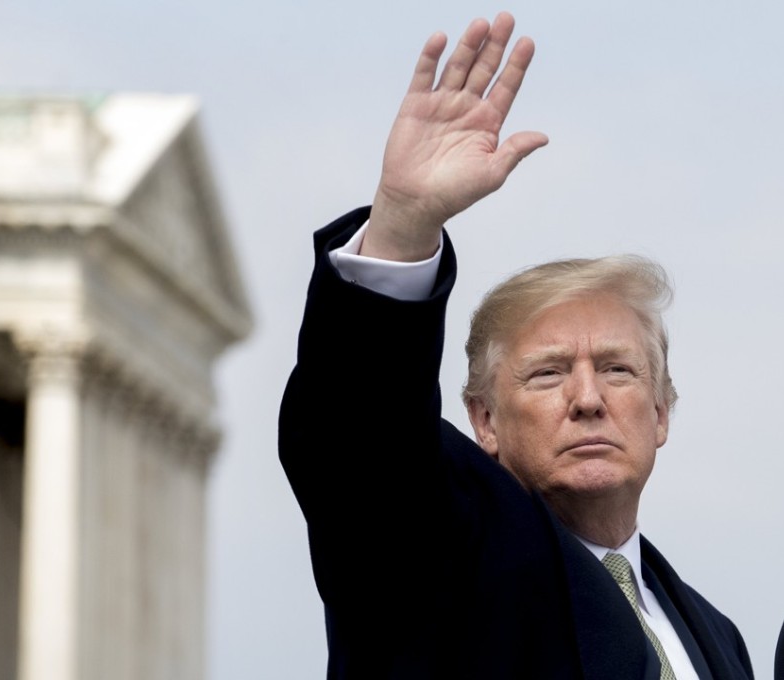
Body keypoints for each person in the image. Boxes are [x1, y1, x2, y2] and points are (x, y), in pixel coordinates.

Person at [279, 12, 754, 679]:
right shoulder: (438, 551)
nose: (587, 398)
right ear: (485, 420)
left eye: (617, 370)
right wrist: (402, 226)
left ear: (661, 413)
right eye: (548, 374)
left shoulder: (718, 637)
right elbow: (360, 439)